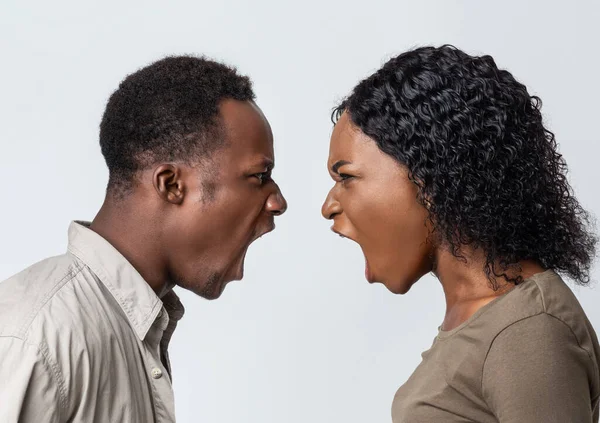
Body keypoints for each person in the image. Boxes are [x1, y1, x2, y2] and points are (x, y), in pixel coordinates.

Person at [0, 56, 287, 422]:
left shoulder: (122, 324)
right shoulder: (35, 338)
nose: (278, 202)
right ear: (171, 185)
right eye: (260, 175)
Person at [322, 45, 599, 422]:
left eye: (346, 177)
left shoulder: (527, 331)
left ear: (428, 178)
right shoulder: (491, 318)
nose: (329, 206)